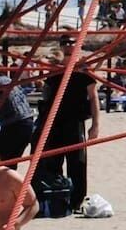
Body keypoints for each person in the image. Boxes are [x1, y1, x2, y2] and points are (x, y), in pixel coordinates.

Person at [35, 62, 100, 214]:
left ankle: (76, 200)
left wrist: (95, 124)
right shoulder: (55, 71)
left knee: (77, 162)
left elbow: (93, 97)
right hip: (54, 121)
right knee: (52, 161)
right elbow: (46, 94)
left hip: (74, 121)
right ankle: (56, 197)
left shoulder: (83, 72)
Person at [0, 74, 38, 162]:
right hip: (28, 121)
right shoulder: (9, 80)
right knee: (11, 160)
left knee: (0, 160)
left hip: (13, 125)